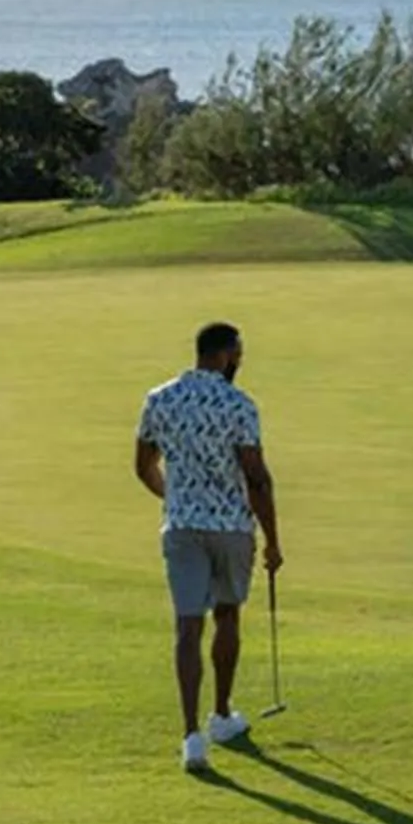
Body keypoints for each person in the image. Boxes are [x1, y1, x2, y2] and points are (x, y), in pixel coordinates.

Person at [134, 321, 283, 773]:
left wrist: (176, 499)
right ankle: (220, 714)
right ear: (225, 355)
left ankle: (190, 736)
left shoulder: (160, 398)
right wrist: (274, 540)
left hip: (181, 526)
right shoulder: (238, 404)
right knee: (227, 615)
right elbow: (256, 478)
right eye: (238, 354)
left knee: (187, 627)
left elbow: (143, 466)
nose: (239, 361)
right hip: (231, 526)